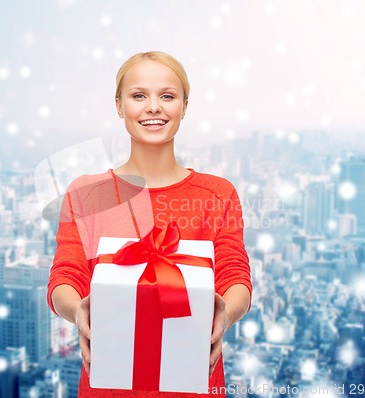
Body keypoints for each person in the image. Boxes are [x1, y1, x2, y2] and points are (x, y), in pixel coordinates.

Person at [47, 51, 252, 398]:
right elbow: (65, 275)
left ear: (184, 106)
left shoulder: (217, 194)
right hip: (108, 387)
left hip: (194, 383)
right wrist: (77, 310)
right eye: (139, 95)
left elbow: (235, 275)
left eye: (167, 96)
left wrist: (226, 315)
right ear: (118, 105)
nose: (153, 107)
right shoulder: (86, 194)